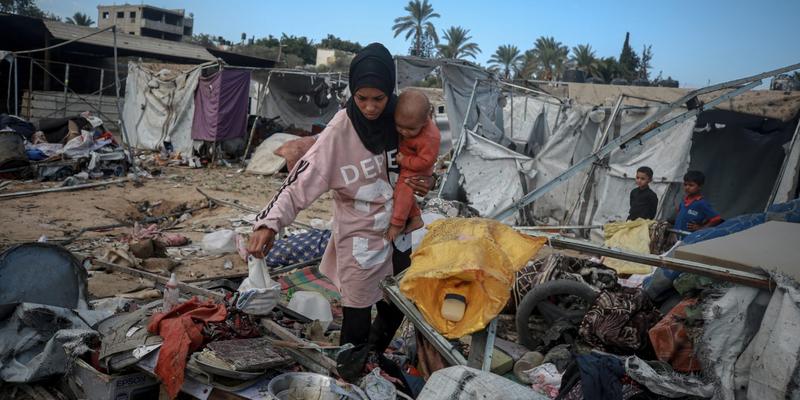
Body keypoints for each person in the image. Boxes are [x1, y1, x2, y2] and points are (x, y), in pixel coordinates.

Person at [246, 43, 433, 356]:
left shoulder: (403, 119)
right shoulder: (339, 132)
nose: (371, 108)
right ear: (352, 93)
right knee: (357, 313)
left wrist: (427, 181)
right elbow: (299, 182)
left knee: (399, 302)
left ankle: (372, 358)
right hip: (359, 239)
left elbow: (425, 163)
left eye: (379, 99)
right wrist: (269, 224)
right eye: (362, 99)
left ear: (391, 91)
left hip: (399, 234)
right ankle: (351, 367)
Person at [386, 89, 441, 241]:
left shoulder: (430, 137)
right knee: (404, 192)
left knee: (403, 192)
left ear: (424, 122)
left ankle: (397, 223)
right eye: (399, 126)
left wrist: (405, 161)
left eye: (410, 129)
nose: (404, 132)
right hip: (408, 159)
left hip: (418, 167)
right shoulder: (410, 122)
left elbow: (426, 161)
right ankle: (415, 218)